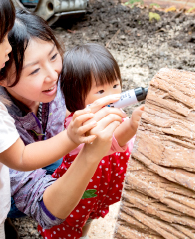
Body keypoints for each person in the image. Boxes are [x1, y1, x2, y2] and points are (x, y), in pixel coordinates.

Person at [0, 0, 125, 238]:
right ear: (0, 76)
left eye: (53, 56)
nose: (53, 76)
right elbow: (21, 158)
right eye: (2, 41)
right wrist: (80, 146)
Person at [37, 43, 145, 239]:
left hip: (103, 183)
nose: (112, 95)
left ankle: (84, 233)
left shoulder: (111, 111)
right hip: (84, 186)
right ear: (75, 96)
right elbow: (112, 141)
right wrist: (130, 127)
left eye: (115, 85)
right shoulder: (79, 126)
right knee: (74, 217)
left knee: (90, 215)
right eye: (100, 92)